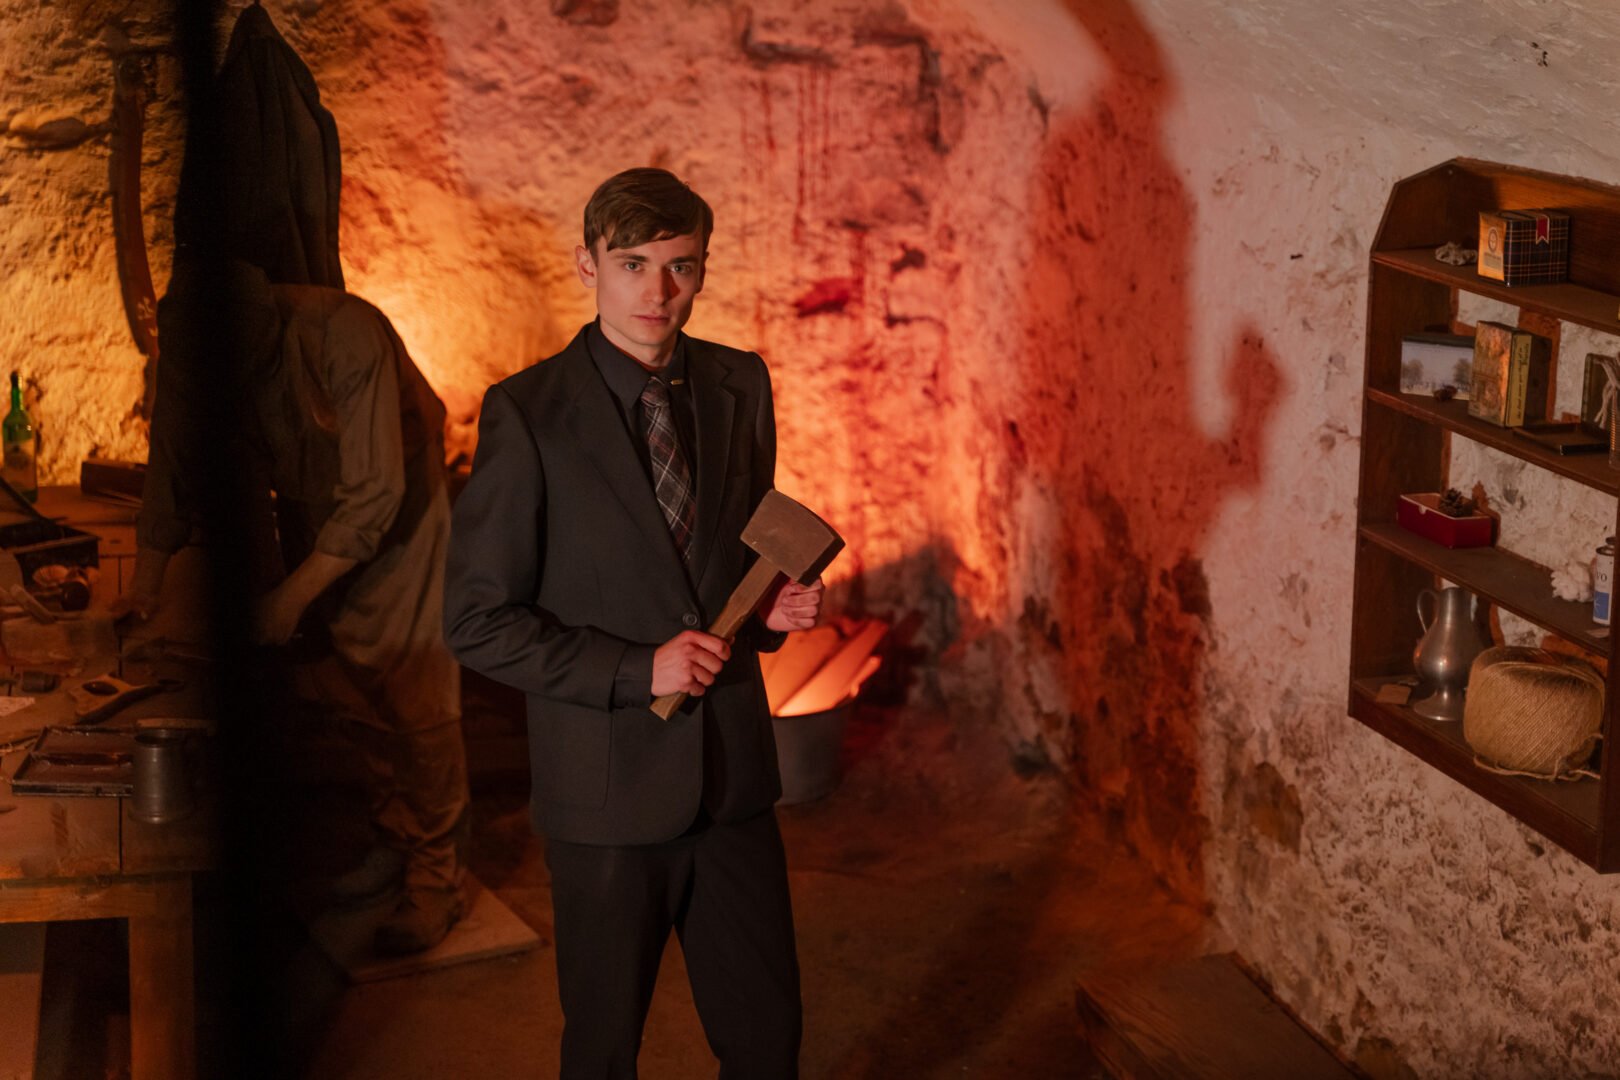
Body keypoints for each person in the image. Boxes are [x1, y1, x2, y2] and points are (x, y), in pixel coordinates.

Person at [443, 167, 823, 1077]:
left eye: (682, 266)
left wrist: (767, 610)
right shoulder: (528, 414)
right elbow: (475, 621)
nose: (659, 292)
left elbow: (731, 557)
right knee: (605, 1049)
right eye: (633, 264)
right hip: (607, 796)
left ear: (703, 269)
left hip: (733, 780)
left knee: (769, 1040)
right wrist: (633, 669)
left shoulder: (740, 383)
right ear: (586, 264)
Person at [121, 261, 470, 955]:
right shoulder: (193, 349)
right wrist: (144, 590)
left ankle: (440, 877)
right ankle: (396, 837)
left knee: (413, 686)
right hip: (317, 506)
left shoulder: (343, 334)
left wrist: (286, 600)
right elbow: (172, 470)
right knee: (349, 688)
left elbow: (375, 495)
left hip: (400, 505)